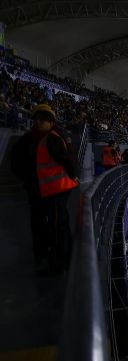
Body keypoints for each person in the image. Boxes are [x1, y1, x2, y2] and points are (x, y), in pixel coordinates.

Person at [11, 103, 79, 275]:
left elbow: (68, 159)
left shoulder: (53, 137)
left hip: (55, 190)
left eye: (42, 120)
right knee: (44, 223)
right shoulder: (30, 139)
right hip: (39, 190)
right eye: (36, 119)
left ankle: (59, 263)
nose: (38, 122)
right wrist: (26, 179)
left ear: (50, 121)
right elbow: (16, 162)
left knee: (58, 226)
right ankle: (45, 253)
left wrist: (73, 175)